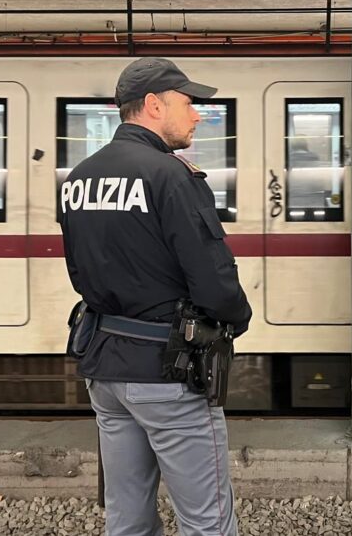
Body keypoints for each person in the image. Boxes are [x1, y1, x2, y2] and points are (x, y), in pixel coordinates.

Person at [59, 57, 253, 536]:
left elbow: (79, 270)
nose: (197, 115)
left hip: (105, 371)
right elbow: (212, 277)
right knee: (205, 519)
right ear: (152, 105)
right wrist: (235, 318)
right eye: (188, 103)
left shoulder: (79, 178)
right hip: (167, 373)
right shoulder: (171, 177)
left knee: (126, 517)